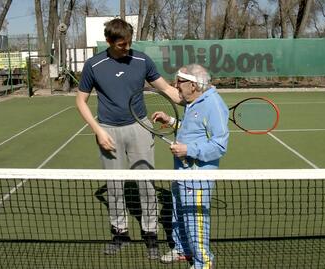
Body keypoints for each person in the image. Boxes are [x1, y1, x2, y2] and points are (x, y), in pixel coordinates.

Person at [76, 18, 180, 259]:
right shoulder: (94, 65)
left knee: (146, 184)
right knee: (114, 186)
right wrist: (98, 131)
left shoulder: (142, 60)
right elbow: (80, 101)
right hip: (107, 130)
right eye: (122, 44)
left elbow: (167, 89)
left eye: (129, 42)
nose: (127, 47)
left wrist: (196, 96)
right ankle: (120, 233)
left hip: (140, 127)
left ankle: (151, 235)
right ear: (109, 41)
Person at [152, 64, 229, 269]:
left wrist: (188, 150)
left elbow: (219, 145)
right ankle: (183, 249)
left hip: (197, 177)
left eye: (179, 81)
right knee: (178, 212)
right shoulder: (192, 102)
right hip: (181, 172)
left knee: (195, 222)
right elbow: (190, 129)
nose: (175, 85)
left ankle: (204, 262)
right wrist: (170, 121)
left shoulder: (213, 104)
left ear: (193, 85)